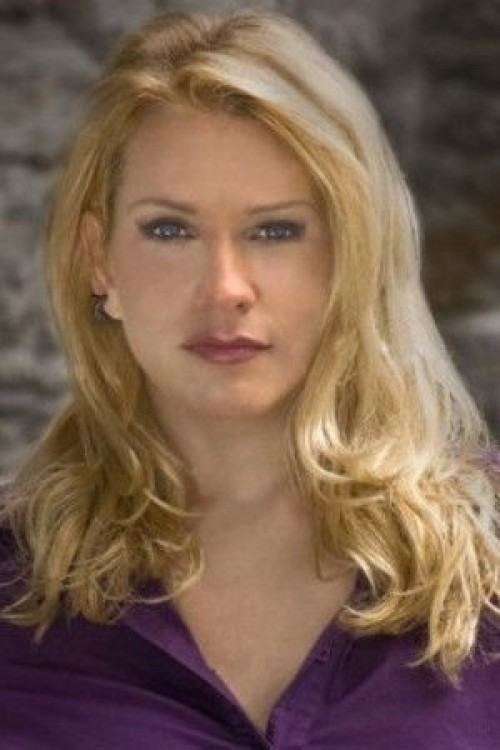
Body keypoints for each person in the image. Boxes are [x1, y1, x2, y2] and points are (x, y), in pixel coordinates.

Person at [1, 6, 499, 749]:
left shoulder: (489, 560)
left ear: (351, 255)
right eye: (170, 229)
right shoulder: (14, 587)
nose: (226, 288)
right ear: (98, 260)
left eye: (275, 230)